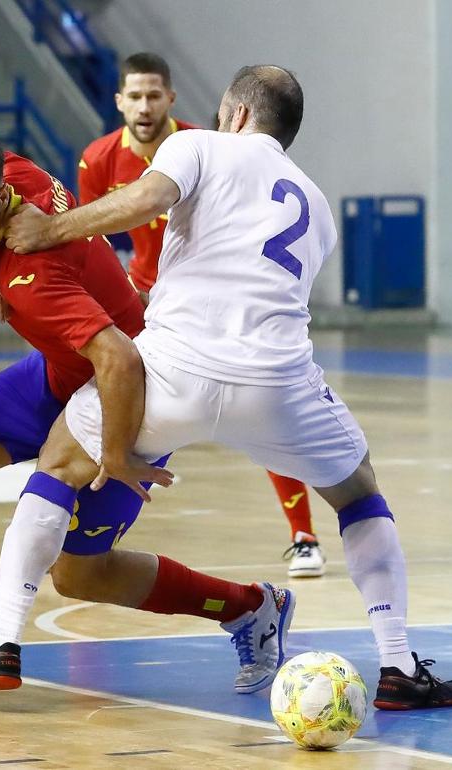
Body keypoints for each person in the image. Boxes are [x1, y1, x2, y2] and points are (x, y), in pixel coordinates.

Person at [0, 65, 452, 711]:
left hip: (175, 369)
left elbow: (147, 200)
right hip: (277, 384)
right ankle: (398, 666)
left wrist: (48, 230)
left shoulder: (197, 145)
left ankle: (3, 642)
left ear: (236, 113)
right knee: (358, 493)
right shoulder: (316, 203)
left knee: (58, 464)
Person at [0, 127, 294, 699]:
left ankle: (251, 606)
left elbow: (120, 358)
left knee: (79, 574)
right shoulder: (13, 174)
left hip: (127, 394)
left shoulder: (30, 276)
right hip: (59, 373)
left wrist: (114, 453)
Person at [80, 52, 323, 577]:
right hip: (140, 296)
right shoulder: (98, 159)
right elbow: (93, 238)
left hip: (199, 302)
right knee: (98, 395)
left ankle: (303, 534)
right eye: (134, 96)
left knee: (257, 409)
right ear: (119, 101)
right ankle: (87, 522)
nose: (144, 106)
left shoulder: (206, 147)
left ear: (170, 98)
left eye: (154, 95)